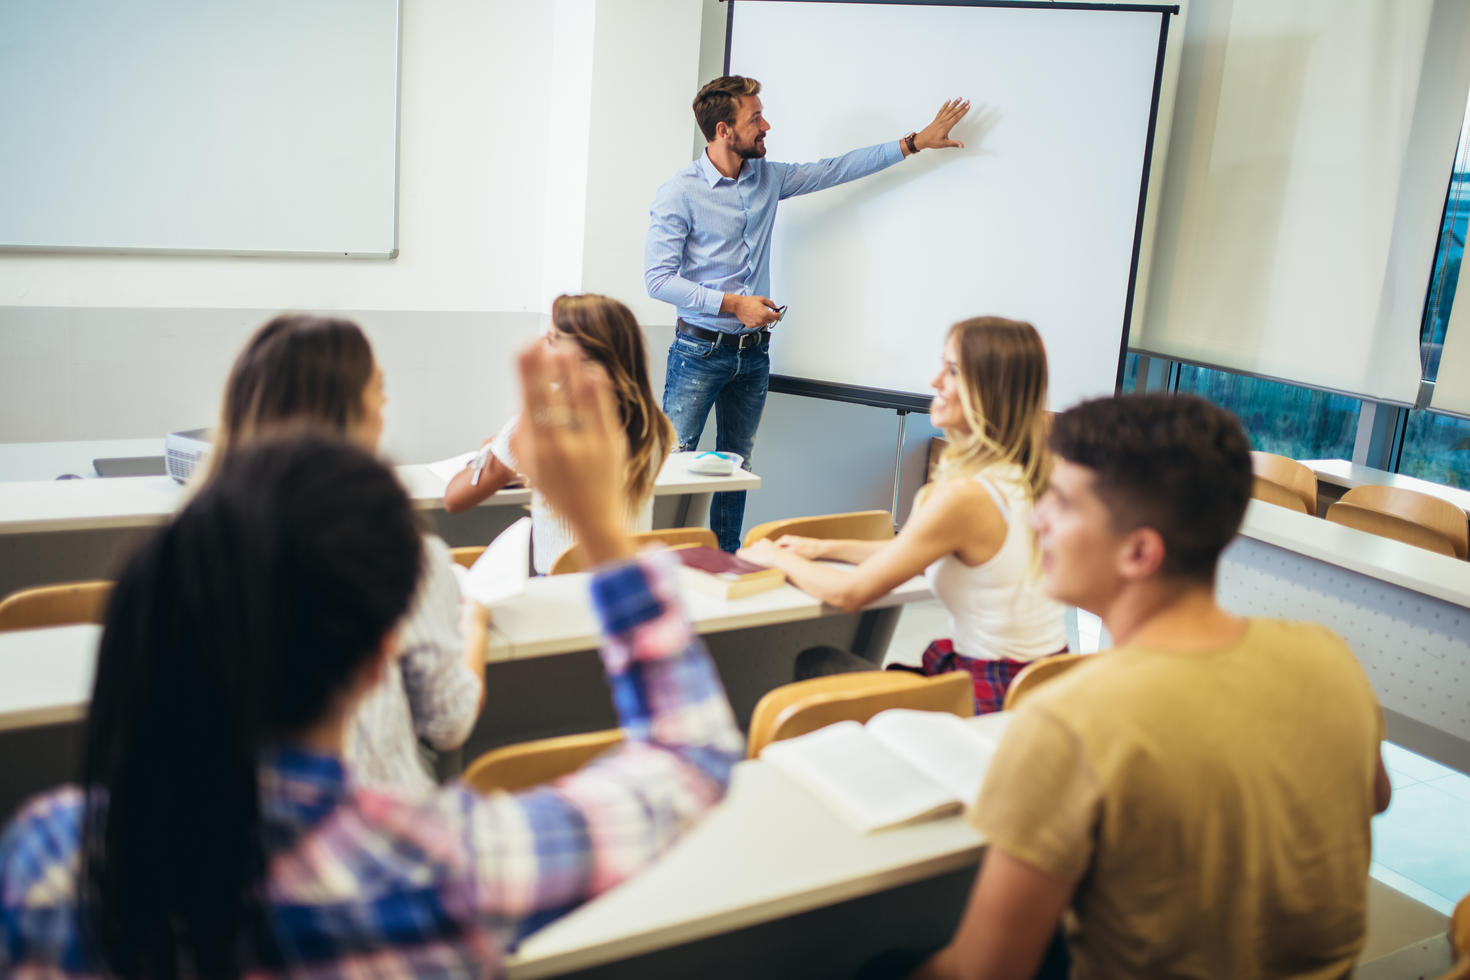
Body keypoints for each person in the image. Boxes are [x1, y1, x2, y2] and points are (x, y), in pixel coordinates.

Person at [0, 344, 744, 975]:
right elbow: (691, 760)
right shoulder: (446, 868)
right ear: (383, 649)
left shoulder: (49, 856)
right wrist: (605, 533)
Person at [911, 394, 1392, 980]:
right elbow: (1375, 797)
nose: (1037, 519)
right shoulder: (1327, 656)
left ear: (1139, 551)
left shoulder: (1071, 720)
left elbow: (982, 972)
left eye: (1060, 504)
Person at [646, 75, 972, 552]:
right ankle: (661, 571)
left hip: (753, 356)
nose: (766, 125)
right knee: (672, 468)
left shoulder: (767, 178)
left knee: (736, 468)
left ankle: (726, 563)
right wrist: (734, 304)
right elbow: (658, 280)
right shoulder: (680, 192)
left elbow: (834, 169)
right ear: (722, 130)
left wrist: (913, 143)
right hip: (698, 351)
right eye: (755, 118)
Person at [210, 312, 486, 792]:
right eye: (377, 389)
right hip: (383, 826)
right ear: (349, 414)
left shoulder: (194, 553)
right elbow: (448, 722)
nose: (386, 404)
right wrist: (475, 621)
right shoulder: (400, 555)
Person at [740, 317, 1067, 714]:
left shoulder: (965, 497)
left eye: (951, 371)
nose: (934, 382)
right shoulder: (1032, 479)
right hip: (1040, 689)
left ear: (988, 390)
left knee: (819, 664)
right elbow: (912, 551)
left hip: (989, 701)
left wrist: (775, 557)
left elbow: (849, 594)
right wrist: (822, 546)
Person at [444, 293, 676, 575]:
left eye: (552, 338)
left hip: (562, 584)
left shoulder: (537, 424)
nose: (541, 344)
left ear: (582, 356)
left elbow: (455, 498)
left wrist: (493, 454)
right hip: (632, 579)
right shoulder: (654, 425)